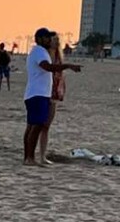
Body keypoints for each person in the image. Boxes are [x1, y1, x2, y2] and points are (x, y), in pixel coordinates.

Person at [23, 27, 60, 165]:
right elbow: (47, 67)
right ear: (39, 39)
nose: (49, 40)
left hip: (36, 93)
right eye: (46, 37)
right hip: (38, 94)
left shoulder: (39, 51)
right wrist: (67, 66)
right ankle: (30, 158)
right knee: (37, 126)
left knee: (32, 126)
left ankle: (28, 157)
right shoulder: (39, 51)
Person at [46, 34, 81, 136]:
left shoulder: (59, 55)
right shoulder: (45, 55)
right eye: (54, 39)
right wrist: (69, 66)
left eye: (57, 40)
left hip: (55, 89)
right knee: (39, 124)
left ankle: (42, 146)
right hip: (44, 89)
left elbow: (60, 74)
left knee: (47, 125)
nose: (56, 42)